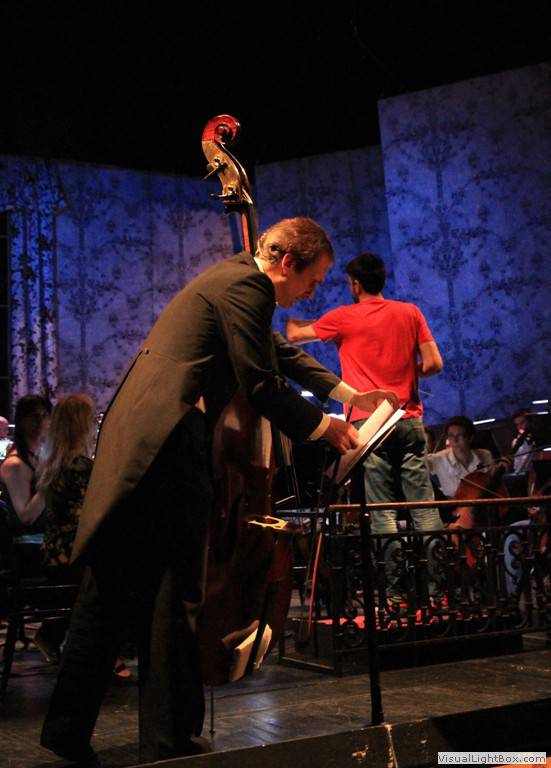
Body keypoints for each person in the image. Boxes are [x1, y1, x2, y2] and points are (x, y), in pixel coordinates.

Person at [41, 218, 398, 765]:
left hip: (140, 444)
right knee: (175, 595)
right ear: (287, 263)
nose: (313, 292)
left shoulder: (233, 280)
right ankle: (167, 740)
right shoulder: (247, 286)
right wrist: (325, 426)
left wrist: (351, 395)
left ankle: (67, 731)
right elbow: (261, 381)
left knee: (109, 590)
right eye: (313, 279)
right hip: (169, 443)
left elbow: (277, 352)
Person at [286, 251, 444, 605]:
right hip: (409, 418)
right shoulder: (410, 312)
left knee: (382, 511)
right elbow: (434, 363)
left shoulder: (343, 317)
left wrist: (303, 315)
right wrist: (404, 374)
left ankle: (396, 596)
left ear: (355, 285)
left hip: (370, 424)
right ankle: (438, 594)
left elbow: (294, 334)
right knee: (424, 508)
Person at [428, 416, 495, 499]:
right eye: (451, 436)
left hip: (484, 502)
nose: (455, 440)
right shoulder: (438, 459)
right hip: (454, 505)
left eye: (460, 436)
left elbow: (494, 483)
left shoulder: (485, 455)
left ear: (470, 438)